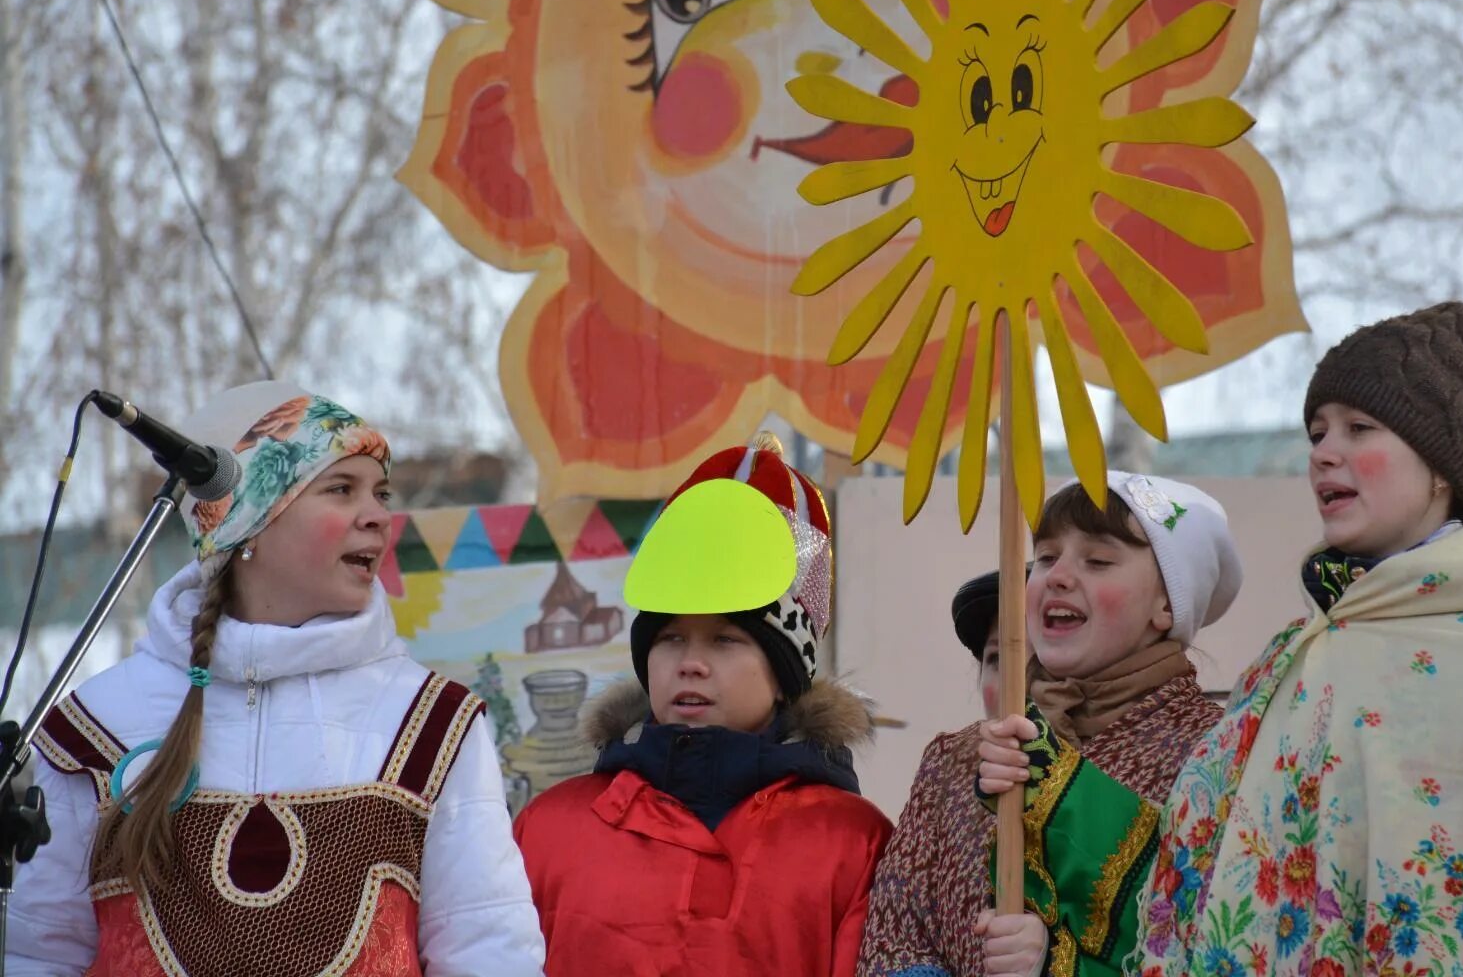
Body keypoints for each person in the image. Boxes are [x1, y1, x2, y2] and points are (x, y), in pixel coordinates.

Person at [985, 303, 1463, 974]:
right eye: (1317, 432)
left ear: (1445, 462)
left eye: (1360, 428)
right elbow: (1193, 880)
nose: (1323, 454)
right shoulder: (1296, 659)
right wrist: (1049, 788)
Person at [5, 381, 544, 976]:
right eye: (341, 489)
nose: (379, 517)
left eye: (381, 493)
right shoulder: (98, 725)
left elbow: (490, 950)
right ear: (248, 525)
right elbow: (41, 953)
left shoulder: (430, 721)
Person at [514, 434, 892, 975]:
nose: (690, 663)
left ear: (787, 676)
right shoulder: (549, 828)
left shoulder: (853, 844)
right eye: (669, 639)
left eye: (725, 640)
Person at [888, 470, 1242, 976]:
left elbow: (1220, 943)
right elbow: (895, 940)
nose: (1056, 575)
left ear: (1168, 603)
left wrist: (1055, 965)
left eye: (1097, 561)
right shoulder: (956, 760)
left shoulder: (1221, 754)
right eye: (1047, 556)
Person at [858, 568, 1007, 974]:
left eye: (1038, 655)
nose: (1017, 681)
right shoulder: (950, 763)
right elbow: (895, 940)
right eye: (997, 659)